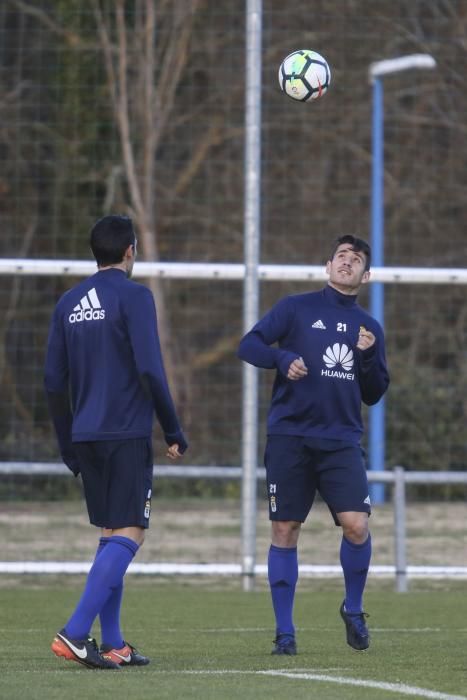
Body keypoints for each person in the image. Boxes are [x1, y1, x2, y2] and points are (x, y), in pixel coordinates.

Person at [44, 214, 187, 670]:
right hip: (124, 433)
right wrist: (173, 427)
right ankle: (74, 632)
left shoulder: (68, 302)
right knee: (131, 531)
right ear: (130, 252)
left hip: (85, 434)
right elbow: (149, 367)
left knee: (111, 533)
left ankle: (115, 642)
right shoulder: (135, 295)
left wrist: (67, 443)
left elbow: (52, 381)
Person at [238, 235, 389, 656]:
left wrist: (367, 357)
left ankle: (354, 609)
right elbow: (248, 344)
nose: (348, 263)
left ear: (366, 275)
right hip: (290, 438)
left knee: (357, 525)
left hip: (341, 441)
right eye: (342, 256)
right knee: (285, 530)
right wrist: (281, 360)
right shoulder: (294, 308)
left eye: (357, 260)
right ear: (328, 265)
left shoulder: (369, 329)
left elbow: (374, 393)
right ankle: (285, 633)